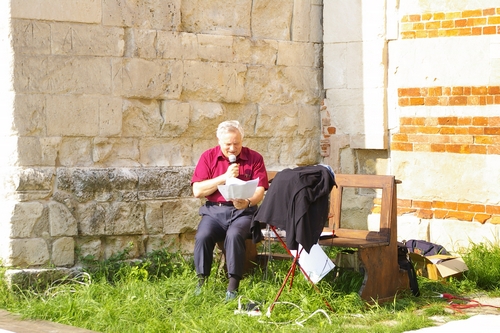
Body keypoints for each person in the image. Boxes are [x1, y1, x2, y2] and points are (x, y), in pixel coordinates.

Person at [191, 120, 269, 301]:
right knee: (203, 236)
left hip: (243, 212)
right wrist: (224, 177)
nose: (233, 149)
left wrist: (247, 201)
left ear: (242, 141)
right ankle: (201, 283)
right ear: (219, 141)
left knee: (234, 235)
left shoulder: (254, 158)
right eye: (228, 144)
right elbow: (197, 191)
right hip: (214, 212)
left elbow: (260, 190)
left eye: (237, 144)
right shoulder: (208, 157)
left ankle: (232, 289)